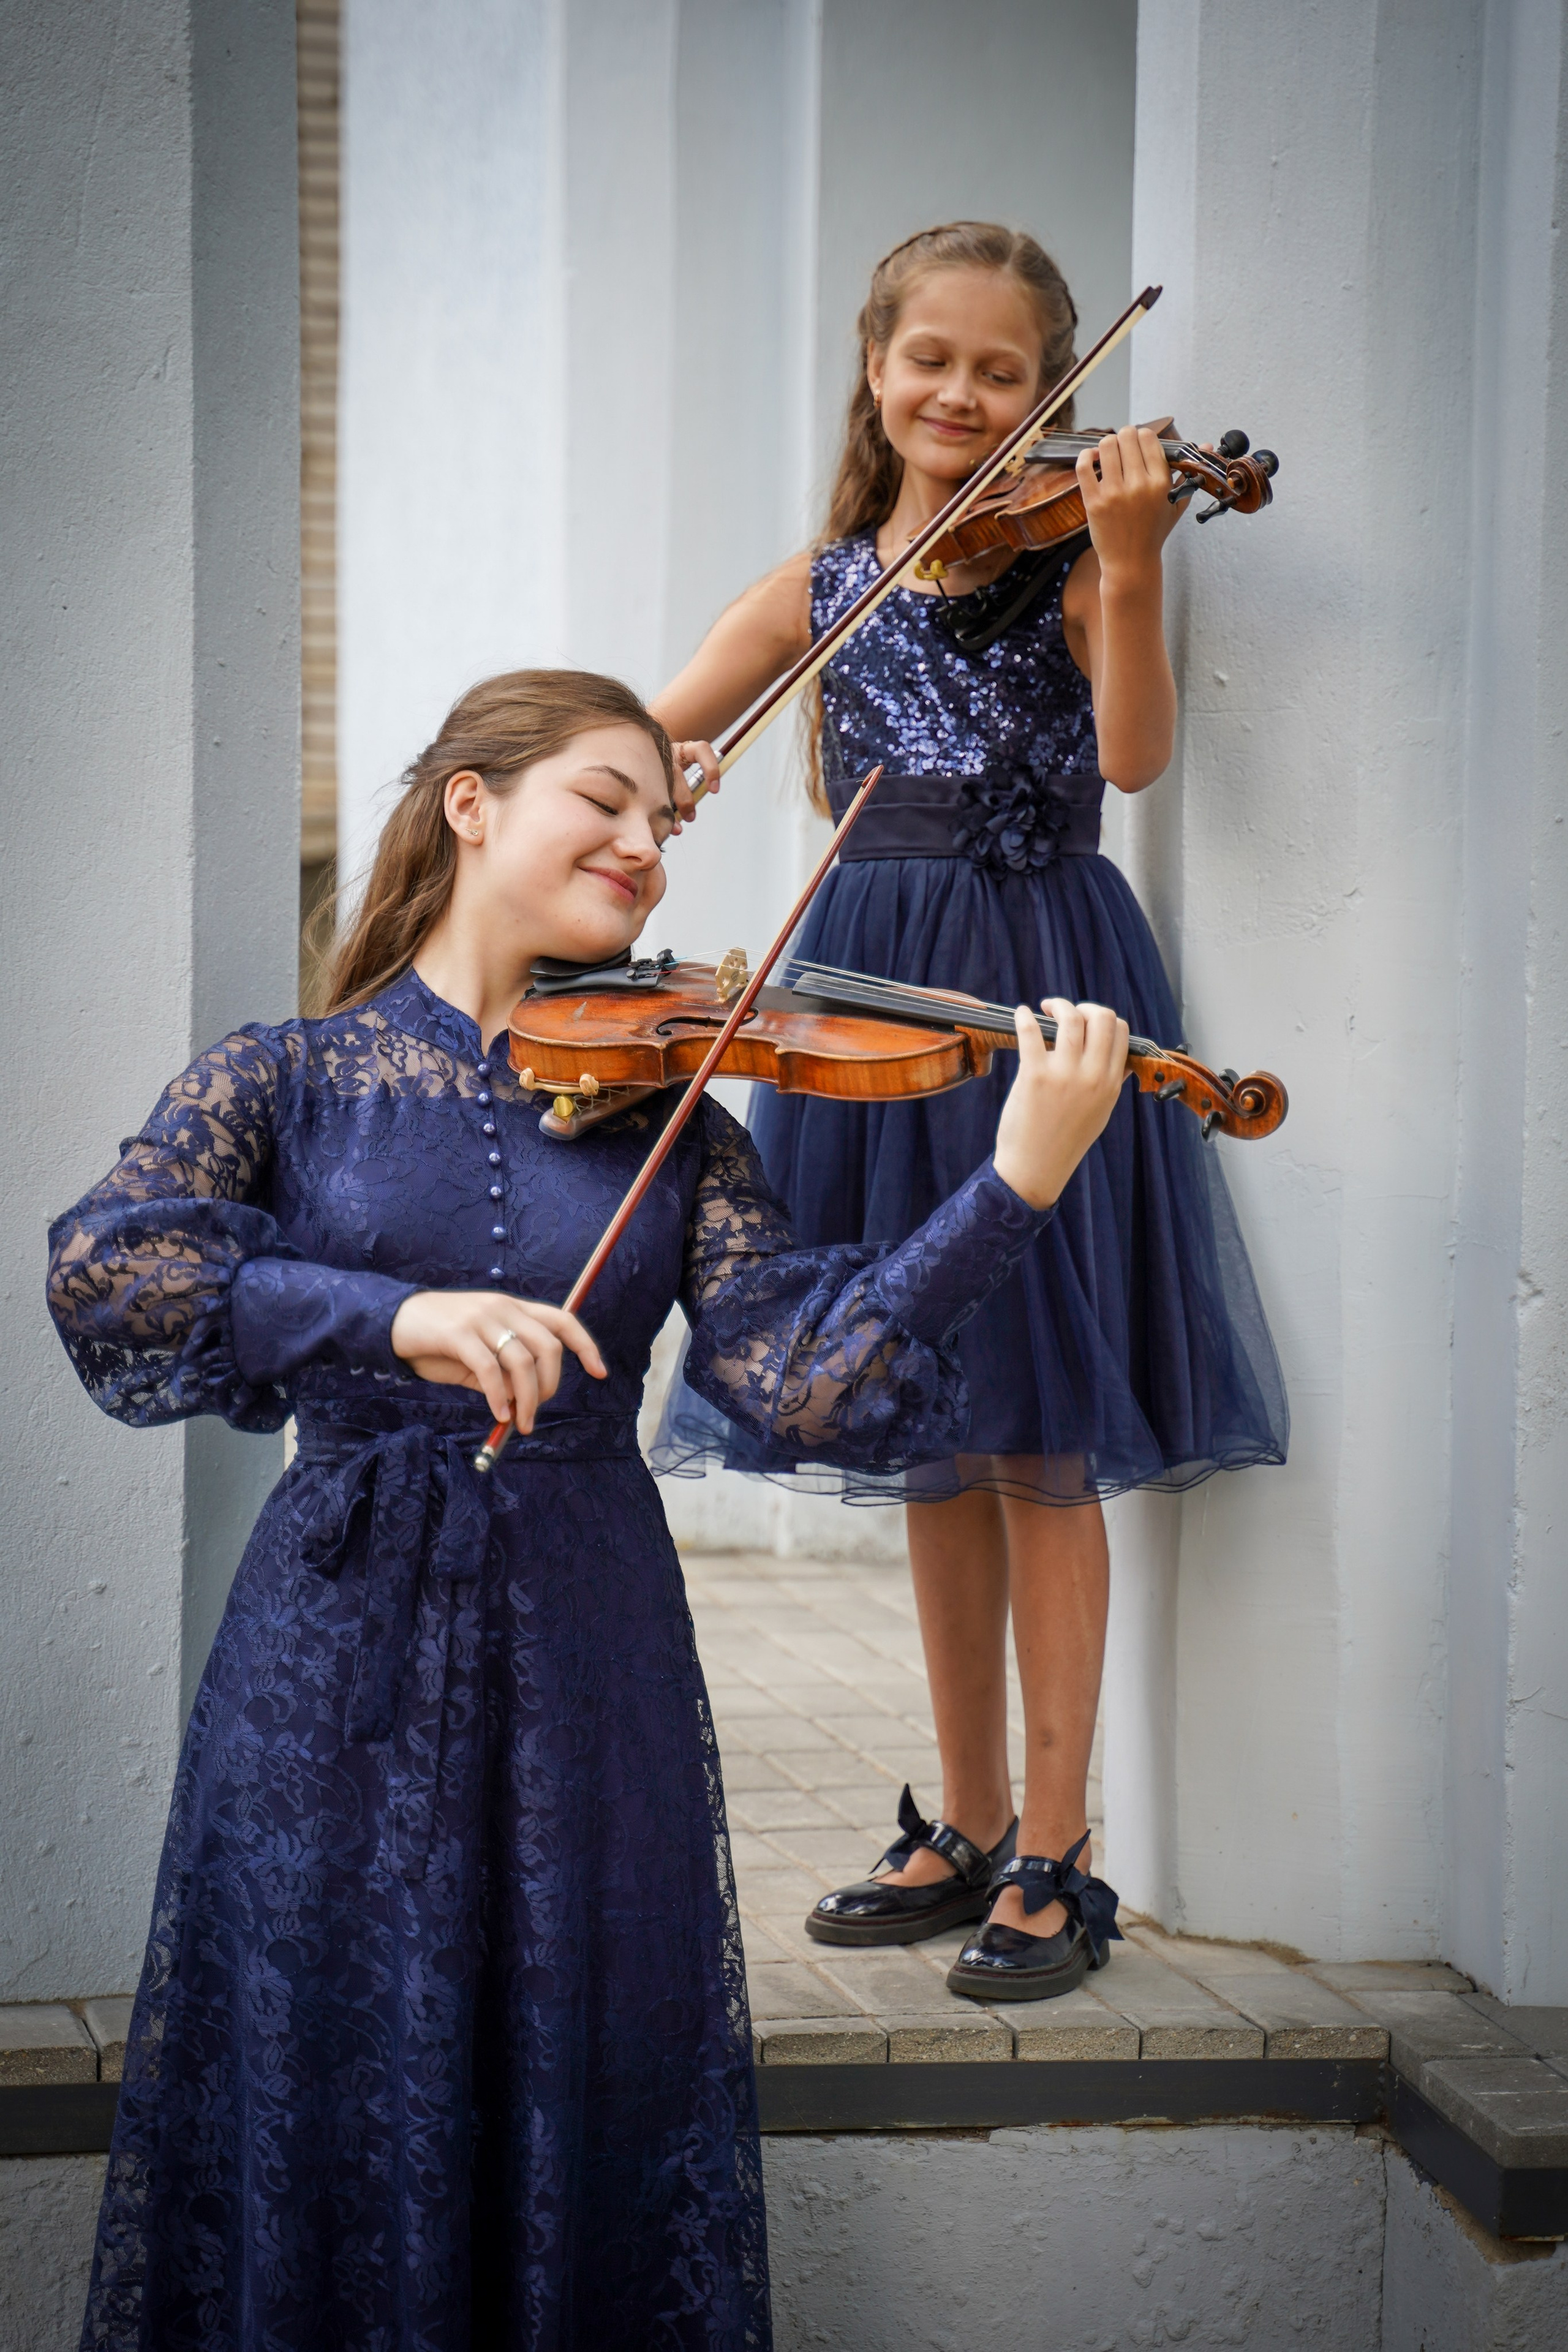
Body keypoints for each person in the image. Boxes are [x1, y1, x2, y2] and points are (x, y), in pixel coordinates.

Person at [49, 666, 1133, 2352]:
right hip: (329, 1660)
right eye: (604, 800)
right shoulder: (294, 1074)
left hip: (588, 1653)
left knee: (588, 2073)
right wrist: (384, 1315)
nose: (644, 846)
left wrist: (1016, 1185)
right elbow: (108, 1269)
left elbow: (808, 1378)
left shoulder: (676, 1119)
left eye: (662, 820)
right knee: (332, 2068)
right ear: (471, 802)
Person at [651, 221, 1287, 2005]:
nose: (964, 395)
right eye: (932, 359)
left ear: (1047, 391)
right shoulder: (824, 581)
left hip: (1039, 988)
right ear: (877, 366)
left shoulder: (1078, 558)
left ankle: (1062, 1844)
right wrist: (648, 779)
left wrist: (1140, 561)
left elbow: (1139, 757)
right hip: (867, 1005)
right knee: (928, 1400)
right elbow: (658, 726)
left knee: (1044, 1422)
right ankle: (969, 1814)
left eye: (1005, 373)